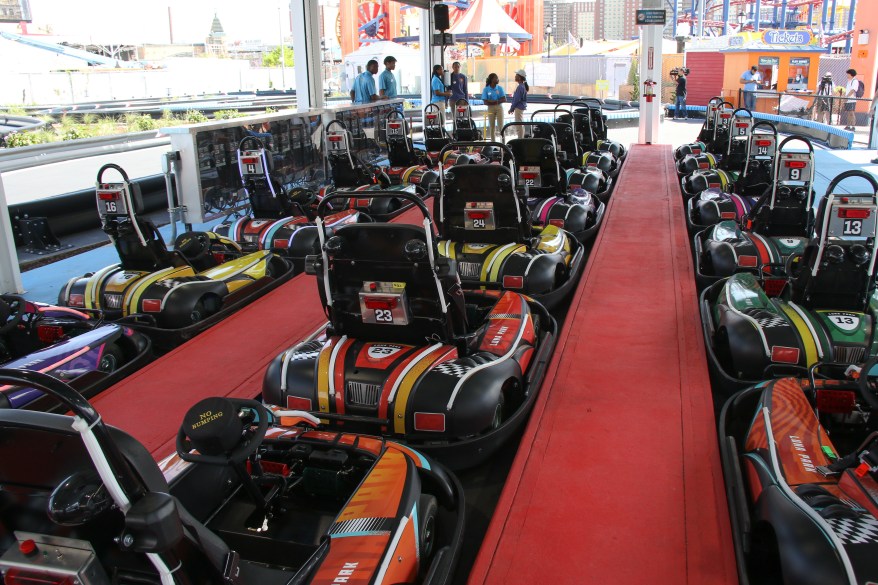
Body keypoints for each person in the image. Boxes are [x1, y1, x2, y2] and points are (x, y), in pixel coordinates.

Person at [481, 73, 506, 141]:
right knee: (492, 127)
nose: (497, 79)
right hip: (490, 108)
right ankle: (493, 143)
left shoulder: (499, 88)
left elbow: (504, 99)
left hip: (499, 107)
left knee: (501, 126)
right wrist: (493, 102)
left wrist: (494, 102)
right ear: (492, 79)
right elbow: (485, 101)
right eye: (496, 78)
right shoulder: (486, 89)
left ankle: (503, 143)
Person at [508, 69, 529, 137]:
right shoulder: (522, 86)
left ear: (519, 77)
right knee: (520, 124)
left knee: (519, 125)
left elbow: (516, 99)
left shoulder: (520, 87)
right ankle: (521, 137)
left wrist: (511, 108)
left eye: (516, 75)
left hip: (519, 107)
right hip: (521, 107)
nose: (515, 77)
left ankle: (520, 139)